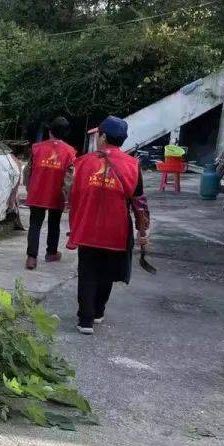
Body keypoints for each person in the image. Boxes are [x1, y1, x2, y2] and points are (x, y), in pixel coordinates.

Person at [67, 115, 150, 335]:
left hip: (88, 227)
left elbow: (74, 196)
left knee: (87, 270)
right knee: (106, 272)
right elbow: (139, 201)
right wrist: (143, 231)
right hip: (116, 229)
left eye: (98, 135)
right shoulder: (133, 165)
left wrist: (74, 224)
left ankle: (85, 320)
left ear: (103, 137)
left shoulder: (84, 162)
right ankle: (98, 312)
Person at [25, 116, 77, 270]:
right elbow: (69, 179)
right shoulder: (70, 152)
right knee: (54, 223)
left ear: (50, 131)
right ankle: (51, 253)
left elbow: (27, 171)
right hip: (56, 195)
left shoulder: (36, 148)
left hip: (37, 192)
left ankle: (31, 258)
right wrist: (68, 198)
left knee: (35, 224)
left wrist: (29, 188)